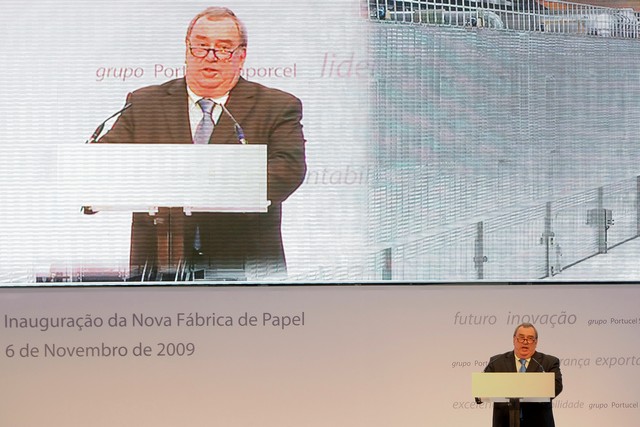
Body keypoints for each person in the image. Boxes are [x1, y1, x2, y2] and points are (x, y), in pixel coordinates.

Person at [95, 7, 306, 280]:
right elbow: (104, 161)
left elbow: (287, 171)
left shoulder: (276, 106)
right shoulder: (145, 103)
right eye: (201, 47)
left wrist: (202, 182)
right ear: (186, 50)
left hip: (244, 265)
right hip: (159, 266)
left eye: (224, 48)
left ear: (241, 56)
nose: (211, 57)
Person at [483, 323, 563, 427]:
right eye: (521, 338)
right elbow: (483, 386)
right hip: (504, 422)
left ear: (536, 342)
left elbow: (556, 386)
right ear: (514, 339)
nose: (525, 342)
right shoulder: (497, 361)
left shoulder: (549, 362)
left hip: (538, 422)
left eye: (530, 338)